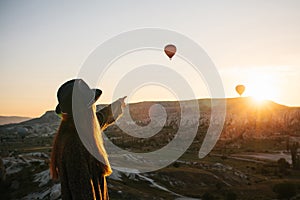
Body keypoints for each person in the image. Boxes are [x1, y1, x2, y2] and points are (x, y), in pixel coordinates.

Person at [50, 79, 126, 200]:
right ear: (84, 111)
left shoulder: (79, 132)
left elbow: (100, 120)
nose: (94, 109)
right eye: (92, 105)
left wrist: (117, 106)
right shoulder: (74, 146)